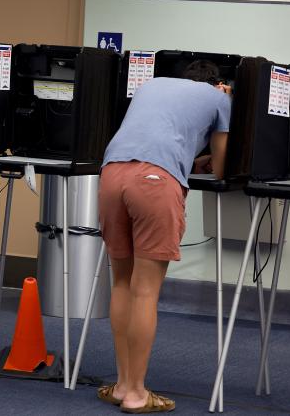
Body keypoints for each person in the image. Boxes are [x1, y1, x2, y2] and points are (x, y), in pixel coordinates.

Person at [97, 60, 231, 412]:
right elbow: (221, 167)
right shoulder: (218, 98)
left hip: (112, 174)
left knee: (122, 284)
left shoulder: (152, 85)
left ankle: (123, 384)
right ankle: (138, 395)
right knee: (145, 291)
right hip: (154, 181)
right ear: (217, 84)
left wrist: (189, 159)